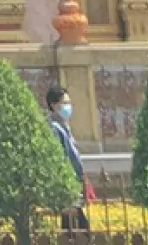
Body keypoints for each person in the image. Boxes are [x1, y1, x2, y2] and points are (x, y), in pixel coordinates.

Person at [44, 85, 89, 232]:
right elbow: (60, 157)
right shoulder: (54, 128)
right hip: (67, 183)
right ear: (53, 105)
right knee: (77, 227)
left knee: (73, 226)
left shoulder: (64, 127)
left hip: (75, 182)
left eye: (69, 103)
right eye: (64, 103)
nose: (68, 107)